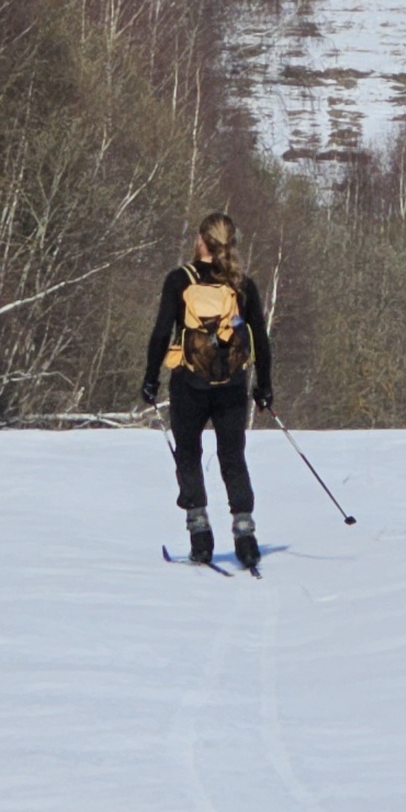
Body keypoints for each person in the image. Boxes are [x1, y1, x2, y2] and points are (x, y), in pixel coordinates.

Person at [141, 211, 273, 567]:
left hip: (189, 383)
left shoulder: (179, 280)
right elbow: (260, 340)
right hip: (232, 385)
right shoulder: (242, 284)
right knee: (233, 457)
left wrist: (151, 378)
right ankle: (245, 536)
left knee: (188, 454)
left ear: (201, 240)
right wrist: (264, 386)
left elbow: (161, 333)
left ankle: (200, 536)